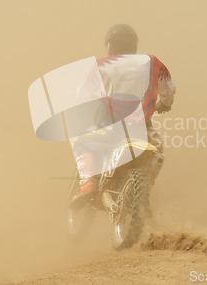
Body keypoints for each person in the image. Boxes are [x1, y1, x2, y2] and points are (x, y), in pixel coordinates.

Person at [70, 24, 176, 206]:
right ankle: (144, 194)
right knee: (157, 152)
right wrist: (164, 104)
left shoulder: (100, 65)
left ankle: (89, 182)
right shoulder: (152, 61)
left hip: (109, 128)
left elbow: (82, 96)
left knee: (81, 142)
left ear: (109, 45)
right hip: (142, 129)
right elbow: (168, 89)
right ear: (134, 44)